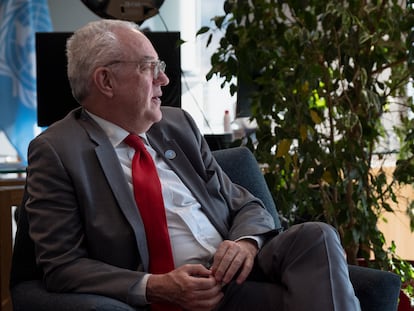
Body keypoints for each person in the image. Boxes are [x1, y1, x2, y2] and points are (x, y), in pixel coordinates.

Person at [24, 19, 360, 310]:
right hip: (184, 293)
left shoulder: (176, 125)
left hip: (236, 269)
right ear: (106, 81)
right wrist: (157, 285)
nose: (164, 81)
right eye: (149, 68)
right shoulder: (56, 151)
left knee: (318, 235)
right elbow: (62, 266)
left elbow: (246, 204)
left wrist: (245, 242)